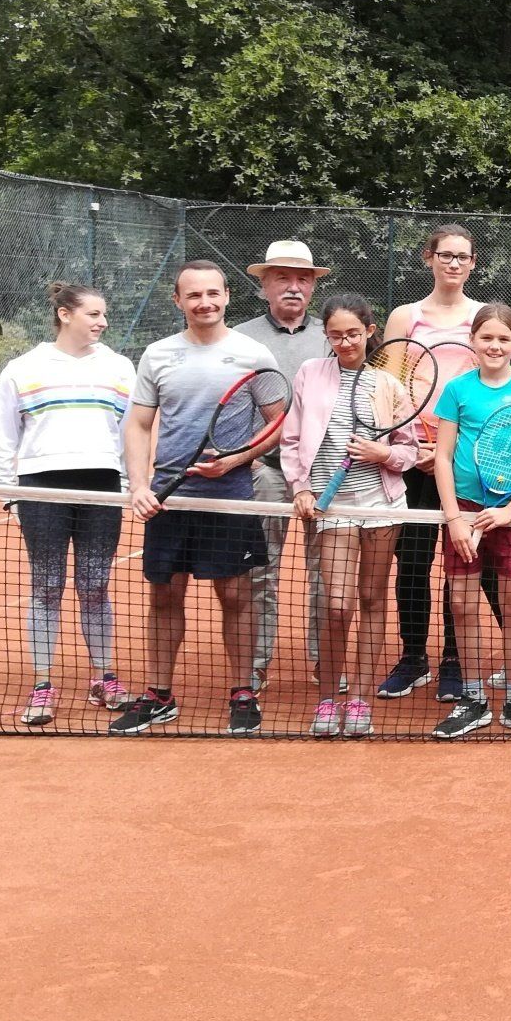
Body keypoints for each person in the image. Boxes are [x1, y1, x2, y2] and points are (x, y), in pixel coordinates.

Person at [109, 262, 282, 736]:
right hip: (170, 499)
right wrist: (139, 485)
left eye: (212, 293)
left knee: (236, 596)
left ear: (227, 295)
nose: (204, 302)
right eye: (193, 295)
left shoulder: (253, 354)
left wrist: (235, 459)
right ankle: (159, 695)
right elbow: (138, 423)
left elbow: (278, 421)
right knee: (165, 595)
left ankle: (243, 693)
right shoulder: (158, 354)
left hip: (231, 496)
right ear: (178, 301)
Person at [0, 282, 136, 725]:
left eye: (104, 314)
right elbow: (3, 437)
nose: (102, 322)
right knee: (47, 587)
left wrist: (126, 483)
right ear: (65, 314)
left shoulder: (119, 367)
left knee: (95, 586)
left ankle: (104, 677)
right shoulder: (23, 368)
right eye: (93, 314)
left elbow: (130, 433)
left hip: (102, 488)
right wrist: (11, 496)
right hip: (42, 489)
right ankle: (42, 685)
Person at [281, 294, 417, 738]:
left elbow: (409, 450)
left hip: (381, 505)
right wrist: (301, 487)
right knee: (336, 604)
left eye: (353, 334)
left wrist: (383, 454)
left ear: (370, 331)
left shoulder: (388, 384)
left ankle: (359, 700)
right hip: (332, 505)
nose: (345, 342)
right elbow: (292, 437)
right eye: (336, 335)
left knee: (373, 600)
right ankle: (327, 699)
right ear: (326, 334)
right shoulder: (309, 373)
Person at [429, 304, 511, 740]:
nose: (495, 346)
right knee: (462, 606)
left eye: (504, 339)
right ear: (473, 341)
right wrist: (454, 519)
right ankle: (472, 698)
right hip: (464, 510)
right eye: (487, 338)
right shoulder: (457, 390)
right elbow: (443, 457)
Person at [378, 224, 485, 703]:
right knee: (413, 561)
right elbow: (388, 387)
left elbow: (488, 385)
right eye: (446, 255)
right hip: (412, 453)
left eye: (462, 256)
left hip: (464, 458)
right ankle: (413, 657)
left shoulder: (483, 316)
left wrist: (447, 450)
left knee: (461, 562)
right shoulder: (405, 316)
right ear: (429, 258)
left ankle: (454, 660)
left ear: (473, 263)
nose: (454, 263)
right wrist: (411, 446)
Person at [233, 240, 331, 694]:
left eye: (303, 279)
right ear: (264, 285)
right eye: (282, 278)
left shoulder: (332, 335)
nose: (294, 287)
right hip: (265, 469)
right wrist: (248, 459)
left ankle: (325, 660)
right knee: (260, 569)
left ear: (312, 286)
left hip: (323, 473)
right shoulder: (239, 337)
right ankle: (256, 663)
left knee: (326, 574)